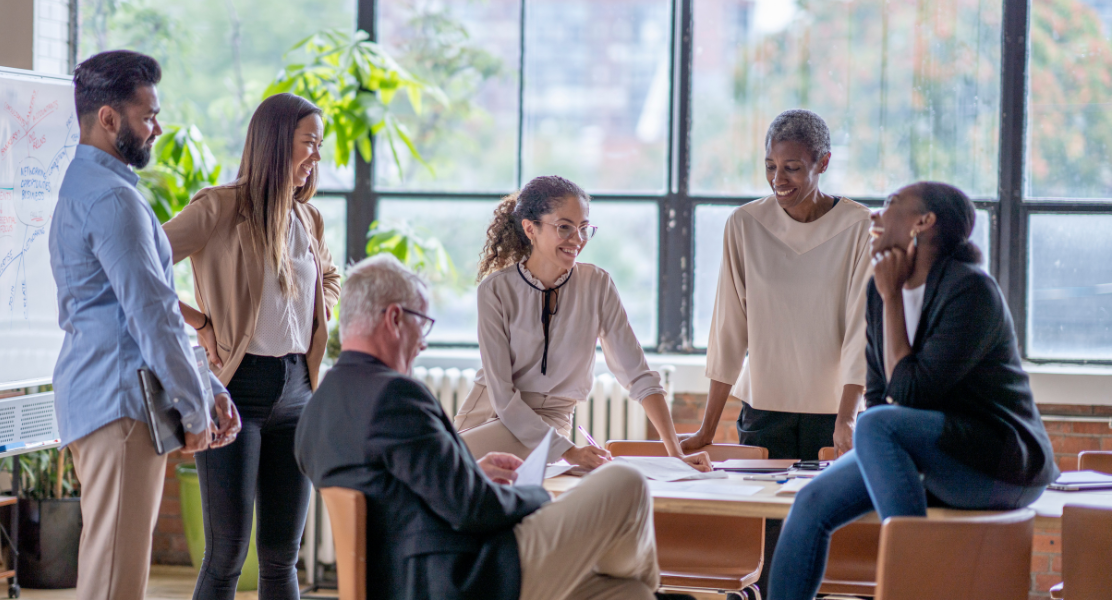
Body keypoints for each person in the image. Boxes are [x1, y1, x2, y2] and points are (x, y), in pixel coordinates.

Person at [295, 255, 694, 600]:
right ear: (395, 319)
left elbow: (393, 495)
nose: (424, 344)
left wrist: (468, 472)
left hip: (407, 582)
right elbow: (473, 509)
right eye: (424, 324)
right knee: (626, 482)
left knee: (628, 593)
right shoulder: (397, 397)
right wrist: (537, 494)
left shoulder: (318, 408)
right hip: (463, 579)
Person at [766, 182, 1060, 600]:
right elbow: (880, 389)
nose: (875, 214)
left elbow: (908, 395)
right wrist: (886, 296)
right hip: (929, 454)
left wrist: (892, 298)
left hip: (999, 465)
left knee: (876, 425)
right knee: (811, 503)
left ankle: (918, 586)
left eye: (890, 204)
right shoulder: (877, 291)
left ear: (923, 222)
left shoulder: (971, 290)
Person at [49, 50, 241, 600]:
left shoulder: (87, 186)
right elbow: (153, 316)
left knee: (110, 571)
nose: (157, 128)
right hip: (121, 407)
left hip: (106, 399)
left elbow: (149, 307)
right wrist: (196, 406)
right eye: (147, 115)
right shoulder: (113, 199)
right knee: (114, 583)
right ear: (108, 118)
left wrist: (207, 387)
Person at [162, 93, 340, 599]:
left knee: (283, 557)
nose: (316, 158)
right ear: (276, 142)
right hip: (236, 390)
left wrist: (317, 308)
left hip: (298, 393)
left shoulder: (308, 219)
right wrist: (200, 323)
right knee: (227, 555)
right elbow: (140, 262)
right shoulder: (219, 207)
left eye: (319, 146)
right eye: (309, 144)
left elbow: (330, 276)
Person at [453, 175, 710, 472]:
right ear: (530, 228)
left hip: (549, 423)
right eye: (564, 227)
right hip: (488, 413)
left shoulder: (597, 284)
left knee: (442, 473)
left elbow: (638, 375)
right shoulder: (495, 290)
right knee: (439, 476)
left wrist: (675, 454)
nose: (577, 239)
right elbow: (503, 398)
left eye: (584, 228)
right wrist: (571, 452)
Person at [681, 109, 872, 461]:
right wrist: (707, 428)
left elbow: (861, 334)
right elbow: (730, 330)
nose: (778, 178)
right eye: (770, 166)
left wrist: (847, 417)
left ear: (823, 162)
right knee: (761, 515)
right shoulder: (744, 224)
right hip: (763, 411)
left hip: (835, 413)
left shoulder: (860, 227)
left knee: (825, 515)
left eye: (792, 167)